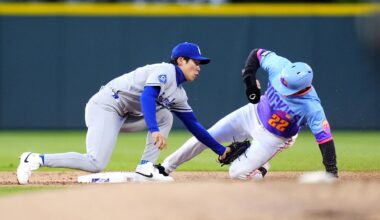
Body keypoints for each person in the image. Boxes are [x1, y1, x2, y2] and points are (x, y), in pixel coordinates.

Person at [16, 42, 229, 184]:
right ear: (181, 60)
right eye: (196, 61)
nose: (199, 66)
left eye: (201, 63)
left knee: (166, 115)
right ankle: (34, 159)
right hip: (106, 106)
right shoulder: (165, 70)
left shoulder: (179, 94)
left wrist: (220, 149)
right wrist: (153, 129)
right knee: (95, 163)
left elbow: (194, 126)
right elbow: (147, 97)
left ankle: (145, 167)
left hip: (126, 115)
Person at [158, 48, 338, 180]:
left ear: (302, 89)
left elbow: (325, 140)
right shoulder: (280, 66)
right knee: (206, 136)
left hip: (274, 136)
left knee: (237, 174)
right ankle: (164, 168)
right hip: (252, 112)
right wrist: (250, 82)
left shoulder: (312, 107)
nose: (281, 86)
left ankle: (260, 166)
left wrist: (332, 174)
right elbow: (257, 54)